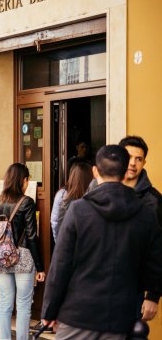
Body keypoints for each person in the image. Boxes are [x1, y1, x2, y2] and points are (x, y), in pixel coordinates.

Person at [42, 145, 162, 339]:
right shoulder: (145, 213)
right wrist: (153, 295)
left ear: (95, 171)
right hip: (121, 316)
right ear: (125, 174)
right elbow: (155, 262)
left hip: (77, 313)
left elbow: (60, 264)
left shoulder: (78, 210)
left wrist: (50, 310)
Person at [0, 163, 45, 340]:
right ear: (23, 180)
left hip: (1, 256)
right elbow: (31, 235)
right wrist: (40, 266)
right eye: (27, 180)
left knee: (5, 302)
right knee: (23, 304)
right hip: (23, 257)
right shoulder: (26, 202)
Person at [118, 136, 162, 320]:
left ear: (144, 162)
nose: (133, 163)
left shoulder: (153, 201)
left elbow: (159, 249)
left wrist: (153, 294)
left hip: (134, 290)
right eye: (128, 157)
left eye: (139, 159)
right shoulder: (102, 192)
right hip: (99, 286)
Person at [50, 162, 93, 240]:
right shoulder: (93, 195)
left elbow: (55, 222)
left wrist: (59, 243)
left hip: (66, 242)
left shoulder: (62, 194)